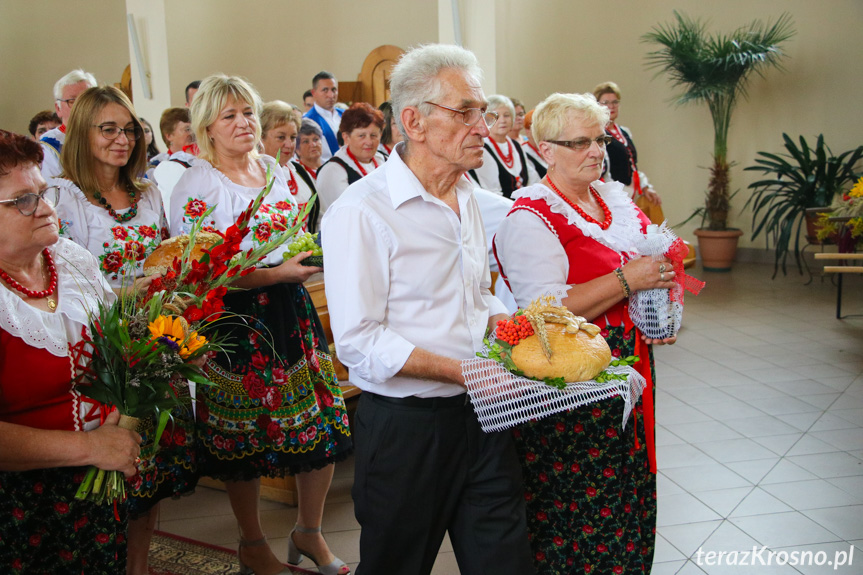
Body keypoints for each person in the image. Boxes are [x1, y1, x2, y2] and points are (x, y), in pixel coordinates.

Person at [322, 43, 534, 575]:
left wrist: (519, 329)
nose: (482, 126)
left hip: (484, 417)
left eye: (482, 111)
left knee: (505, 562)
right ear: (414, 121)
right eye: (466, 112)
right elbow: (358, 340)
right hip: (406, 429)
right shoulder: (362, 213)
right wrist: (462, 371)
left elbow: (473, 297)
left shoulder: (466, 197)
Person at [170, 74, 352, 575]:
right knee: (243, 438)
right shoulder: (196, 183)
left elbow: (293, 234)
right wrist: (275, 271)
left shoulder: (274, 167)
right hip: (234, 320)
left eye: (247, 112)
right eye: (229, 115)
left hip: (290, 306)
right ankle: (252, 543)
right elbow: (198, 270)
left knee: (320, 421)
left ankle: (309, 532)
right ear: (207, 125)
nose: (243, 123)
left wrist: (306, 258)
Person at [494, 92, 674, 574]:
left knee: (628, 481)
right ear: (545, 150)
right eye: (579, 142)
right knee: (583, 497)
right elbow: (541, 311)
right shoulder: (531, 216)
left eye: (599, 139)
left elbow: (644, 269)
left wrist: (656, 301)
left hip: (627, 361)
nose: (596, 151)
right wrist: (626, 280)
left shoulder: (612, 201)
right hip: (573, 378)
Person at [52, 86, 198, 575]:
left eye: (130, 128)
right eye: (108, 128)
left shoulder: (148, 192)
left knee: (148, 471)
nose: (122, 138)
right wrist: (123, 298)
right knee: (103, 466)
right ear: (81, 132)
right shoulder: (64, 196)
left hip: (153, 342)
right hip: (99, 347)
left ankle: (137, 565)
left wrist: (175, 293)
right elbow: (64, 283)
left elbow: (164, 259)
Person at [0, 129, 142, 574]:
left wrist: (167, 350)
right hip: (18, 506)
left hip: (97, 489)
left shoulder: (71, 260)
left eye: (43, 193)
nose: (45, 209)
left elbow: (119, 348)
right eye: (23, 201)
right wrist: (88, 448)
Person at [593, 82, 662, 220]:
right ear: (597, 105)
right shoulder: (598, 134)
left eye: (615, 102)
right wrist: (617, 196)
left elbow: (633, 165)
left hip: (633, 192)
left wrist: (646, 186)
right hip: (615, 196)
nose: (611, 106)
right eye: (606, 102)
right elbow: (603, 171)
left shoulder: (624, 132)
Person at [316, 102, 384, 216]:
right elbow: (345, 214)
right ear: (346, 138)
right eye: (361, 136)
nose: (369, 142)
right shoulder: (333, 171)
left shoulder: (384, 159)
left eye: (373, 135)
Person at [260, 100, 318, 230]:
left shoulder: (298, 170)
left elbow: (317, 217)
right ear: (261, 137)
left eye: (292, 137)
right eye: (281, 137)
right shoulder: (254, 176)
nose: (289, 144)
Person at [470, 94, 538, 197]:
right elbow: (491, 193)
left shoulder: (516, 146)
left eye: (506, 115)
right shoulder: (483, 148)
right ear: (486, 120)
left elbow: (533, 180)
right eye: (495, 115)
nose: (502, 120)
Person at [39, 68, 98, 180]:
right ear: (58, 108)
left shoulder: (111, 137)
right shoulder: (50, 147)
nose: (82, 106)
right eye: (73, 101)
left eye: (88, 99)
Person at [303, 71, 341, 161]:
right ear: (314, 93)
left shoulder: (346, 114)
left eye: (334, 90)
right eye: (325, 90)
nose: (331, 95)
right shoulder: (307, 121)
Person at [521, 109, 547, 179]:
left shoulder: (550, 148)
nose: (541, 131)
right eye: (536, 127)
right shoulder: (522, 151)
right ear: (527, 131)